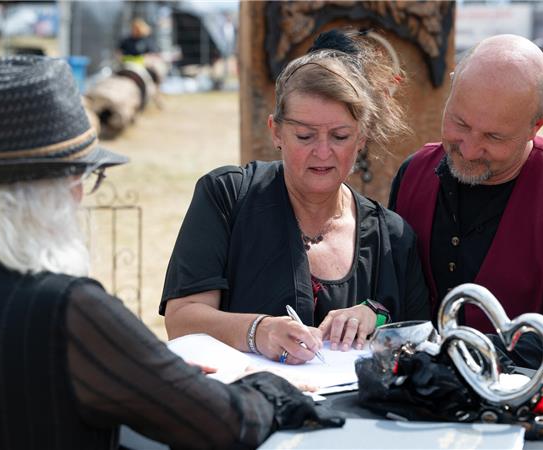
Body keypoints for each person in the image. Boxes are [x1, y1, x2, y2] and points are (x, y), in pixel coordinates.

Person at [0, 55, 341, 450]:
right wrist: (268, 387)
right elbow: (224, 423)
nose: (81, 194)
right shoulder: (66, 309)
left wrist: (162, 377)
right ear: (51, 190)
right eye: (85, 177)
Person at [161, 29, 430, 365]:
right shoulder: (228, 196)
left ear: (361, 137)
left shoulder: (392, 236)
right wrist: (258, 331)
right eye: (304, 135)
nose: (322, 152)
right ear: (276, 131)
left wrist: (374, 316)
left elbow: (421, 337)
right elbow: (182, 320)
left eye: (339, 136)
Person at [389, 34, 543, 389]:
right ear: (451, 91)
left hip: (535, 416)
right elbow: (393, 296)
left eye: (494, 137)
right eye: (460, 124)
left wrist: (463, 355)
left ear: (537, 125)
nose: (468, 148)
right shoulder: (412, 174)